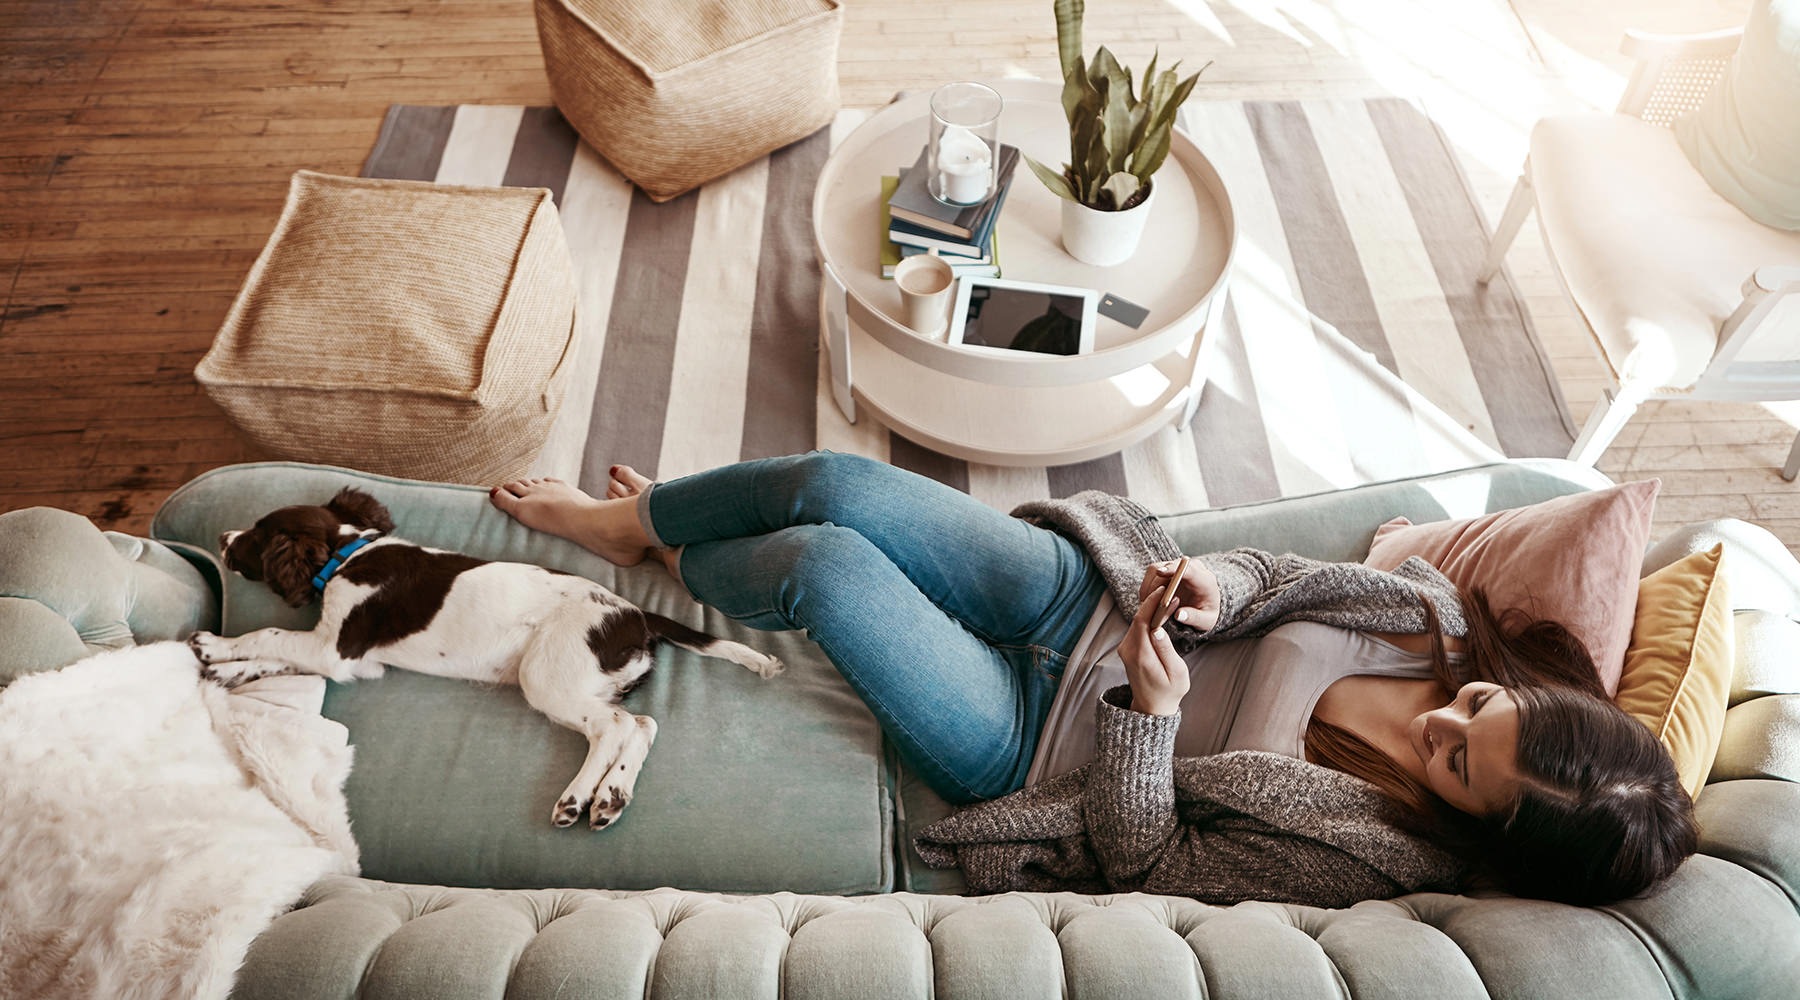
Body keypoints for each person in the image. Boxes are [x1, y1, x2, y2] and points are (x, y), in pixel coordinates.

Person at [489, 451, 1697, 908]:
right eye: (1484, 709)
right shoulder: (1434, 617)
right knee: (839, 485)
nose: (1446, 718)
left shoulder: (1370, 854)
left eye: (1455, 762)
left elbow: (1150, 860)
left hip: (1032, 741)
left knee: (822, 565)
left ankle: (683, 555)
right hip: (1082, 599)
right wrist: (1219, 584)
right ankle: (635, 523)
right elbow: (1277, 574)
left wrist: (1152, 718)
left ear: (1477, 828)